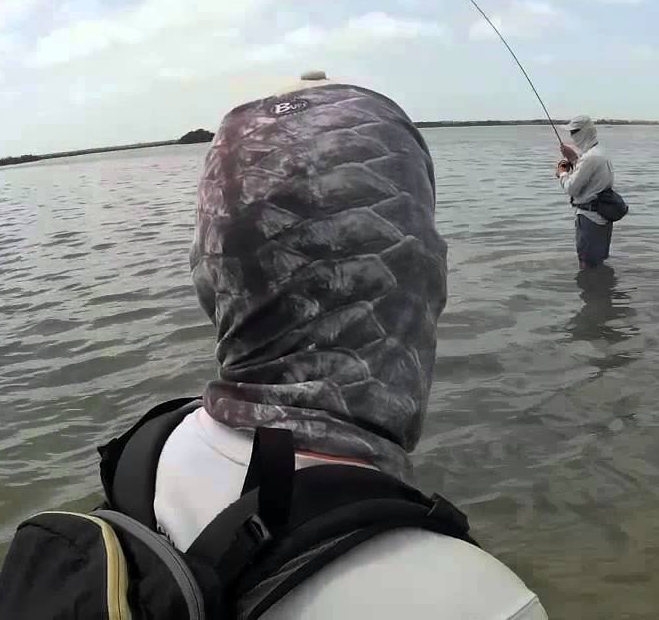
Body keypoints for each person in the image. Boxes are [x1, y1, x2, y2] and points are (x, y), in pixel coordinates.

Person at [152, 73, 548, 619]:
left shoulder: (155, 453)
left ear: (215, 271)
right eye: (425, 238)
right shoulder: (475, 604)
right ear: (412, 273)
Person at [556, 115, 615, 270]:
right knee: (597, 263)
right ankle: (601, 291)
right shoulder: (600, 153)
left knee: (586, 265)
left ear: (583, 132)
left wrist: (562, 173)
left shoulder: (589, 158)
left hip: (590, 220)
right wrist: (574, 159)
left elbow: (571, 188)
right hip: (602, 218)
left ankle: (591, 292)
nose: (571, 136)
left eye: (574, 132)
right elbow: (591, 181)